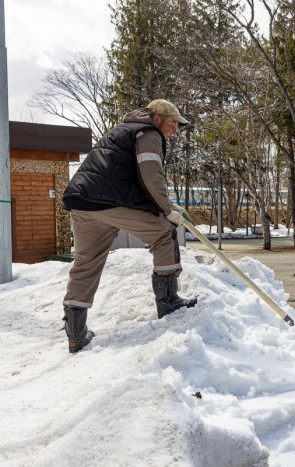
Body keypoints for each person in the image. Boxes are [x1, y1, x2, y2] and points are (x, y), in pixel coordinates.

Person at [61, 99, 198, 353]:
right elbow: (150, 174)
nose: (175, 130)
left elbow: (129, 176)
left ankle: (75, 334)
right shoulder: (148, 132)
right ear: (157, 118)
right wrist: (167, 211)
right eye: (173, 124)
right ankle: (168, 301)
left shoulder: (120, 131)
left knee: (86, 263)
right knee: (164, 233)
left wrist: (169, 206)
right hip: (110, 201)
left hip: (82, 202)